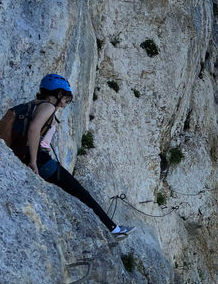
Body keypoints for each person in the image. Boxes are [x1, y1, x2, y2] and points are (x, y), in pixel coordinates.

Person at [17, 74, 134, 237]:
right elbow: (34, 130)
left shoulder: (34, 105)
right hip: (42, 162)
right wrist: (34, 161)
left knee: (75, 194)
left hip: (32, 157)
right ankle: (114, 229)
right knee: (82, 194)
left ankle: (112, 228)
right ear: (58, 94)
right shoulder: (48, 107)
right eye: (67, 98)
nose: (66, 103)